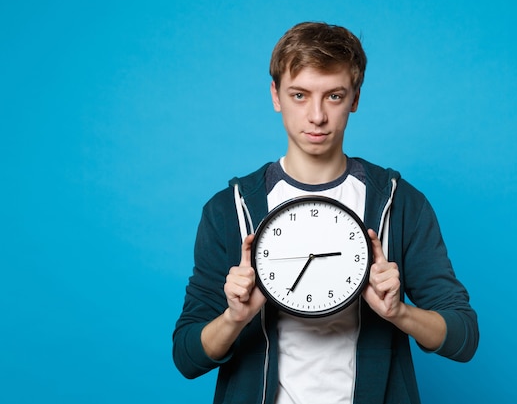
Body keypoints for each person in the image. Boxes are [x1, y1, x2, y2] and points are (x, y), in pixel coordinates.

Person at [173, 21, 479, 404]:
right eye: (299, 95)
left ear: (354, 98)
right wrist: (233, 318)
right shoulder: (230, 210)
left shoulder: (398, 203)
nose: (316, 116)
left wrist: (399, 313)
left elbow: (464, 337)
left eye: (333, 96)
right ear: (275, 95)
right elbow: (187, 356)